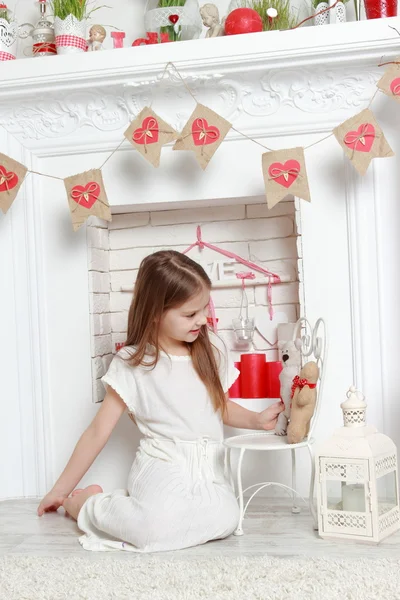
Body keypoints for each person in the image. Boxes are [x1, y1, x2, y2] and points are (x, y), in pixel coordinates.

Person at [37, 250, 284, 553]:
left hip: (208, 467)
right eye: (190, 314)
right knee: (154, 531)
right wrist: (59, 490)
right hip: (163, 463)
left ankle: (141, 512)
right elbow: (97, 433)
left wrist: (257, 420)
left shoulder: (212, 349)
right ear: (155, 312)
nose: (203, 320)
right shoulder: (133, 363)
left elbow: (219, 406)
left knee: (228, 518)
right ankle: (86, 503)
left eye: (204, 309)